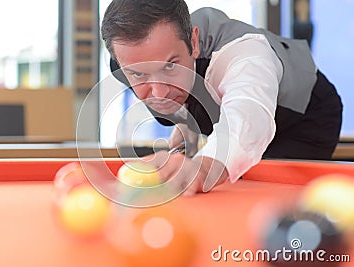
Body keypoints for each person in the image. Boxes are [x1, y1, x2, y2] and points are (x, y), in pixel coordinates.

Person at [101, 0, 342, 196]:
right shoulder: (124, 61)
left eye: (171, 66)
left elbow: (247, 116)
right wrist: (189, 125)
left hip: (305, 118)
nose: (159, 94)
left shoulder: (245, 55)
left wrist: (203, 165)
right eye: (139, 74)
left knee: (260, 191)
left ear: (193, 42)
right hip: (228, 111)